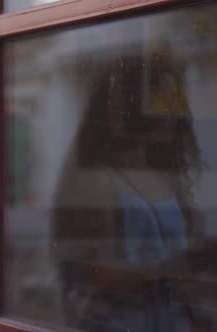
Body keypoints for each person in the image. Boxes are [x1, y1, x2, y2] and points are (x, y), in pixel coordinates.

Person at [52, 45, 208, 331]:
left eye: (176, 99)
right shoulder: (98, 179)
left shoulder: (166, 175)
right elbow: (90, 272)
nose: (173, 111)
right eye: (161, 100)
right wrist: (175, 269)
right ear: (132, 107)